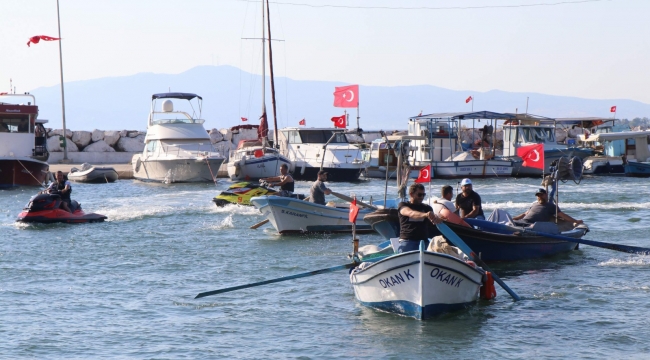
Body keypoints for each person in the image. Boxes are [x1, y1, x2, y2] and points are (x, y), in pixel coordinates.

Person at [397, 183, 443, 253]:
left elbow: (433, 220)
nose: (421, 197)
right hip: (407, 240)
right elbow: (410, 213)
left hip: (423, 241)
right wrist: (425, 215)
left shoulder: (427, 208)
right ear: (411, 194)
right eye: (419, 194)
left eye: (423, 195)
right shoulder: (403, 205)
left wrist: (437, 219)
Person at [512, 188, 584, 225]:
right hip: (523, 222)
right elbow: (525, 214)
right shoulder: (534, 204)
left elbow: (562, 215)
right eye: (538, 196)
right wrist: (513, 219)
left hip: (534, 225)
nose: (540, 197)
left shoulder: (551, 206)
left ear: (546, 195)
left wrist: (575, 221)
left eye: (541, 195)